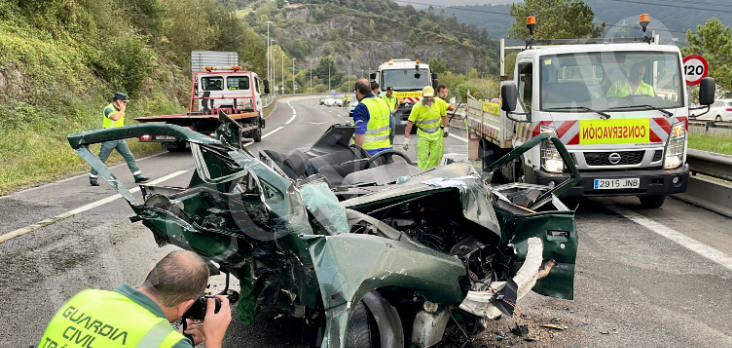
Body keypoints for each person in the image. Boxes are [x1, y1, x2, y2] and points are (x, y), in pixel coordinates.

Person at [38, 250, 232, 348]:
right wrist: (213, 340)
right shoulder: (168, 343)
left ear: (149, 274)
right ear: (187, 304)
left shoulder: (85, 298)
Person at [89, 92, 149, 186]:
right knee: (102, 158)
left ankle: (138, 176)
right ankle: (93, 177)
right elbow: (115, 118)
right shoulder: (108, 109)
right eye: (124, 102)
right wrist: (122, 110)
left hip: (119, 137)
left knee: (129, 156)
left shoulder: (120, 108)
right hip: (109, 137)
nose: (125, 104)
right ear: (118, 101)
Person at [403, 86, 447, 170]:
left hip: (436, 134)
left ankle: (432, 174)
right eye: (426, 97)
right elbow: (410, 122)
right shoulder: (417, 106)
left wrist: (446, 128)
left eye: (430, 96)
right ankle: (422, 175)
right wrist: (406, 138)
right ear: (423, 96)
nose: (428, 99)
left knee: (435, 157)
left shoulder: (439, 103)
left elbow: (444, 115)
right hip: (423, 135)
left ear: (433, 95)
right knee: (422, 157)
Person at [353, 78, 392, 155]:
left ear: (357, 91)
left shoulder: (362, 106)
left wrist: (357, 154)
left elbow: (360, 132)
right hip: (386, 151)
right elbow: (390, 127)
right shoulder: (383, 102)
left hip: (369, 153)